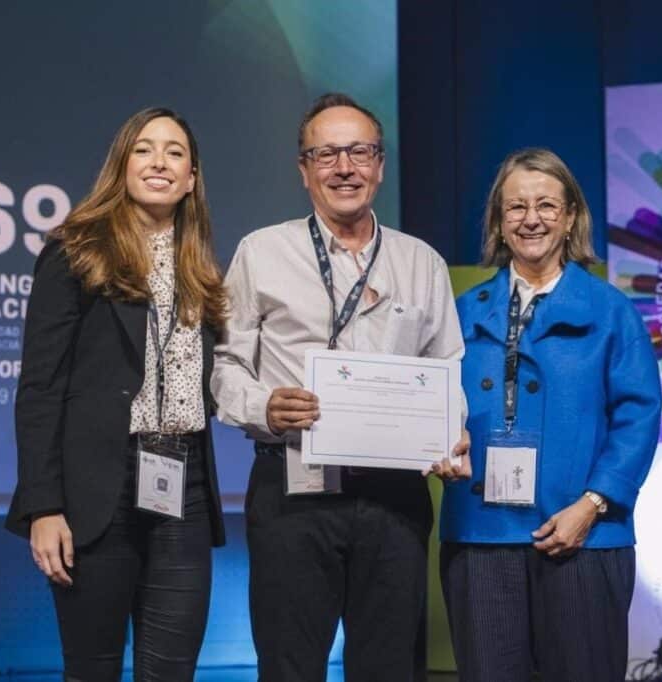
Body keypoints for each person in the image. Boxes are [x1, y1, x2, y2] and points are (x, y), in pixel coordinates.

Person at [213, 92, 470, 681]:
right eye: (326, 154)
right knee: (290, 664)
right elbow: (225, 366)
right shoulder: (262, 251)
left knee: (387, 665)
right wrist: (265, 406)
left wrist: (449, 432)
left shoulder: (420, 261)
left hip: (395, 495)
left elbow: (447, 367)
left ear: (380, 165)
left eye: (359, 151)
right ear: (304, 171)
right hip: (293, 486)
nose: (344, 167)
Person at [5, 107, 228, 680]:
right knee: (93, 668)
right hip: (95, 491)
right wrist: (43, 506)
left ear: (192, 177)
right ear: (122, 165)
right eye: (144, 149)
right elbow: (40, 389)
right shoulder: (75, 250)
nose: (159, 162)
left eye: (175, 152)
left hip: (185, 487)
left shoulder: (200, 266)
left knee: (172, 670)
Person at [439, 148, 662, 681]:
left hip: (583, 536)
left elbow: (639, 415)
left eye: (546, 205)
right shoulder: (462, 311)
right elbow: (436, 403)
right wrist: (436, 443)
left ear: (570, 218)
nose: (531, 219)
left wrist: (591, 505)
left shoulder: (611, 310)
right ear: (498, 220)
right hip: (481, 539)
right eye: (515, 207)